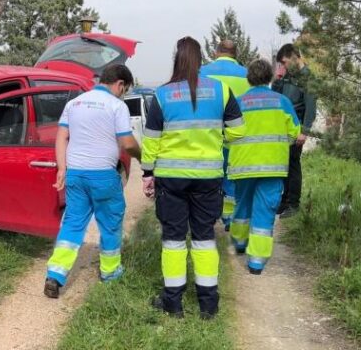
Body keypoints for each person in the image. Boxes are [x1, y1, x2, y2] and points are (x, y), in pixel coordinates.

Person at [141, 37, 245, 319]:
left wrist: (148, 173)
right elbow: (237, 131)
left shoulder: (162, 95)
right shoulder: (221, 90)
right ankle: (208, 306)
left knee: (173, 240)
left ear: (177, 58)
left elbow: (151, 140)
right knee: (204, 239)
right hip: (208, 177)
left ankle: (173, 304)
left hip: (171, 179)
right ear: (202, 60)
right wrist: (215, 136)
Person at [44, 64, 141, 299]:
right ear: (120, 84)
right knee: (110, 222)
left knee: (73, 223)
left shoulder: (74, 103)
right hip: (103, 176)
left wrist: (62, 169)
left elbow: (61, 137)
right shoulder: (117, 106)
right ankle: (110, 272)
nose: (123, 94)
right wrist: (143, 157)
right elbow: (127, 143)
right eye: (125, 89)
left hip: (76, 174)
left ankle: (55, 274)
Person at [228, 58, 301, 274]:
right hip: (272, 167)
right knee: (265, 211)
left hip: (243, 166)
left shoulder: (237, 103)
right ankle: (256, 262)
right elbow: (294, 133)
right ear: (269, 77)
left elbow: (227, 135)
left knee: (241, 206)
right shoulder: (282, 102)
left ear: (248, 78)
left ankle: (239, 244)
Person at [200, 40, 251, 231]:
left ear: (216, 52)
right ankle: (229, 217)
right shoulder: (247, 75)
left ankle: (208, 215)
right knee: (232, 179)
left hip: (209, 136)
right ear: (235, 54)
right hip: (237, 137)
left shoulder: (202, 72)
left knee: (211, 178)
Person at [272, 44, 317, 218]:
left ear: (294, 57)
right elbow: (275, 95)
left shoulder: (308, 78)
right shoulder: (286, 77)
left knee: (293, 164)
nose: (283, 66)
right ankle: (284, 201)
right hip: (283, 126)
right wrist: (277, 79)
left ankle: (293, 204)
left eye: (284, 62)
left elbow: (311, 107)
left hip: (296, 126)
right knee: (284, 165)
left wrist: (304, 131)